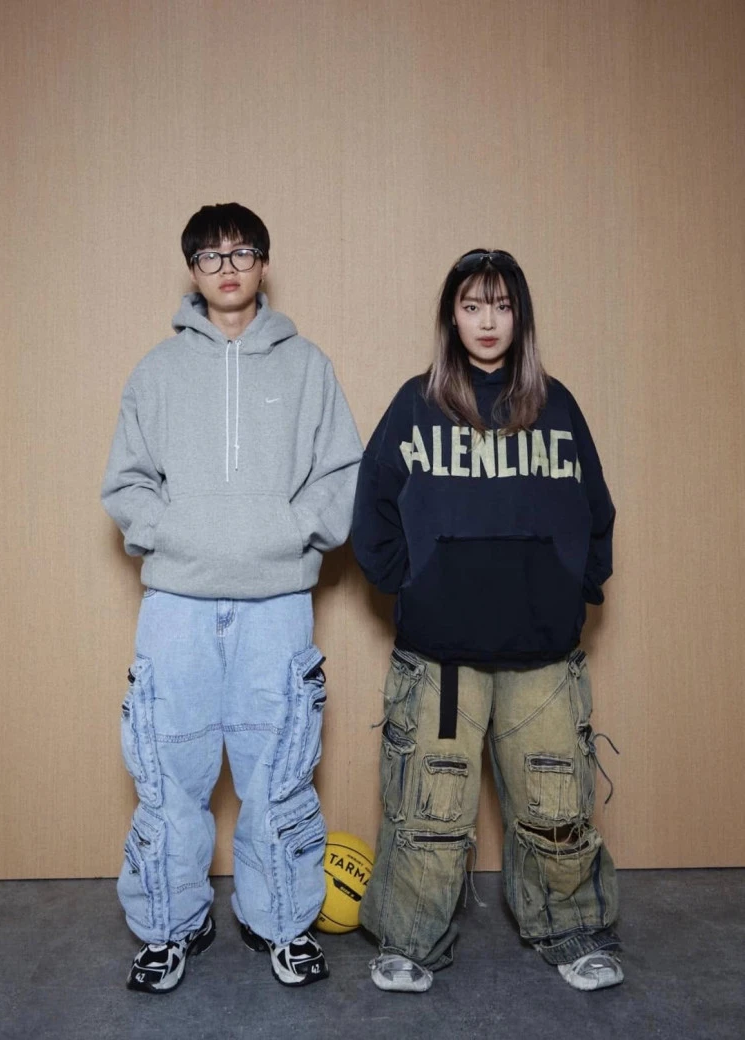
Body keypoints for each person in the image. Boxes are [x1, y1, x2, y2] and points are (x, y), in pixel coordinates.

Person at [102, 202, 362, 993]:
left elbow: (342, 475)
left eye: (241, 252)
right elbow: (126, 483)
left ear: (262, 263)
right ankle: (169, 927)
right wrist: (172, 533)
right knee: (167, 776)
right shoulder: (157, 369)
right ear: (193, 269)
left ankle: (280, 922)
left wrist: (288, 532)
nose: (227, 267)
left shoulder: (307, 365)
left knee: (279, 772)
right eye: (211, 255)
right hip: (176, 603)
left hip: (276, 601)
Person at [351, 249, 622, 993]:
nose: (488, 322)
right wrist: (413, 587)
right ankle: (410, 942)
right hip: (441, 657)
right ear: (452, 316)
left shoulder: (557, 407)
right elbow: (371, 510)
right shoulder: (416, 405)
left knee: (556, 801)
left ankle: (574, 931)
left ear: (520, 316)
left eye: (501, 306)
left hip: (542, 650)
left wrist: (572, 586)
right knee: (428, 806)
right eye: (472, 306)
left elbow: (596, 511)